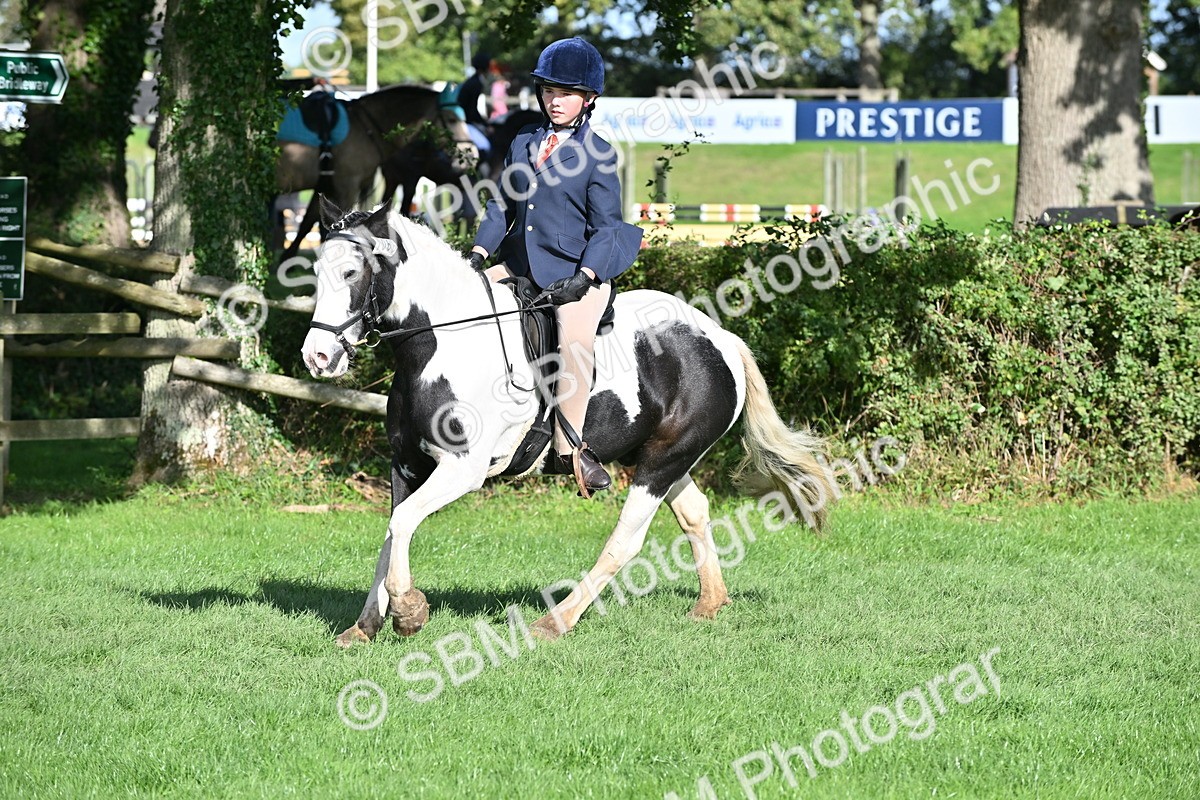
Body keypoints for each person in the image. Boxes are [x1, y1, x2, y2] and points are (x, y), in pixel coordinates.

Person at [468, 36, 643, 496]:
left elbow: (606, 228)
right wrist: (479, 254)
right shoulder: (523, 142)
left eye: (565, 93)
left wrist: (584, 278)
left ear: (588, 100)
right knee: (462, 305)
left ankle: (573, 450)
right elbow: (502, 206)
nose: (555, 100)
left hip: (576, 273)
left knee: (574, 342)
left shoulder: (599, 153)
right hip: (520, 267)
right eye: (549, 91)